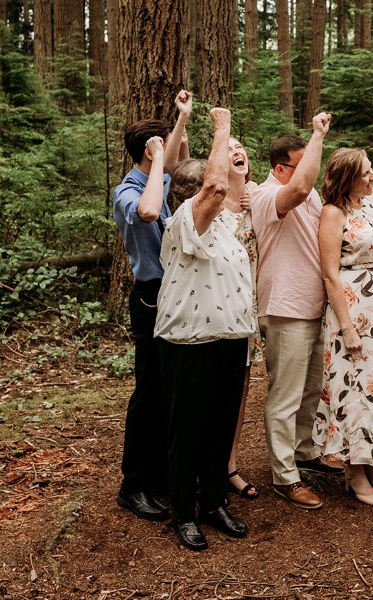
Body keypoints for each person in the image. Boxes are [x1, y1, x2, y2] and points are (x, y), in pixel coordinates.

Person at [154, 107, 257, 551]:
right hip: (189, 344)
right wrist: (222, 129)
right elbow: (217, 186)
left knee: (219, 427)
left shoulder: (227, 227)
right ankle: (183, 512)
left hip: (231, 343)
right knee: (188, 432)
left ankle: (214, 503)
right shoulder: (182, 223)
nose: (218, 190)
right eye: (209, 188)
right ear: (193, 193)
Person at [313, 131, 373, 506]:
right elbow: (329, 274)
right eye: (367, 173)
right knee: (353, 387)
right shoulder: (333, 212)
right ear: (348, 177)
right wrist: (348, 328)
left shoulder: (370, 201)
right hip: (351, 310)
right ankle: (353, 473)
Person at [250, 113, 342, 510]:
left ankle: (304, 452)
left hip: (314, 306)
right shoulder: (266, 195)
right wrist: (319, 135)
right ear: (280, 168)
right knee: (284, 395)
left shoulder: (310, 194)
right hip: (285, 306)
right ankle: (284, 475)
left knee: (309, 390)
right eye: (300, 162)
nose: (308, 169)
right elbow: (302, 186)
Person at [111, 90, 192, 522]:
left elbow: (174, 162)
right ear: (149, 152)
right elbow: (147, 212)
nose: (174, 153)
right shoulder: (128, 191)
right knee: (149, 393)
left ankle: (160, 474)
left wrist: (181, 118)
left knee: (170, 390)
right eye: (162, 148)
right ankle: (133, 484)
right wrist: (159, 158)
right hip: (149, 298)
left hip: (175, 294)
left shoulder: (161, 174)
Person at [224, 137, 259, 499]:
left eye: (242, 147)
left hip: (248, 310)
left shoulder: (258, 198)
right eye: (229, 147)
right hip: (215, 311)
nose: (238, 151)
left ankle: (229, 466)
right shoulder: (211, 203)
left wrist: (258, 205)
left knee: (240, 390)